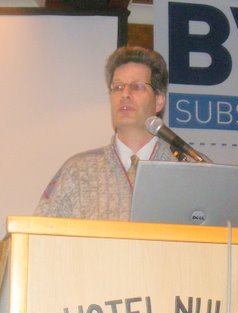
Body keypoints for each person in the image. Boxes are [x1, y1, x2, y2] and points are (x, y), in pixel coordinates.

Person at [34, 46, 180, 220]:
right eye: (118, 87)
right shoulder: (78, 170)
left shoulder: (185, 171)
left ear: (159, 101)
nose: (125, 94)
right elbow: (39, 230)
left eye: (137, 87)